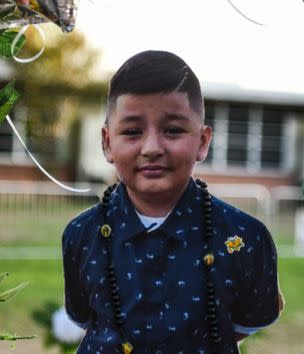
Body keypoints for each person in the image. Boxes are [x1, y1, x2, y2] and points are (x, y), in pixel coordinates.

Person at [62, 50, 282, 354]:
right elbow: (86, 317)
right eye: (132, 131)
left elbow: (248, 321)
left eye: (173, 130)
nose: (152, 148)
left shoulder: (246, 237)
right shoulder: (81, 234)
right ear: (107, 142)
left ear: (203, 142)